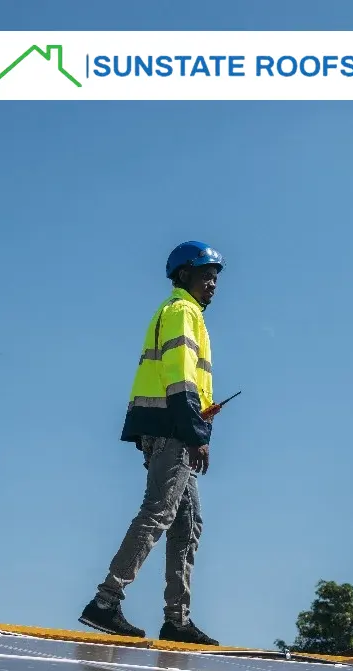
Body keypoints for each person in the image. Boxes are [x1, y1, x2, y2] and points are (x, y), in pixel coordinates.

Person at [78, 240, 227, 645]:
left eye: (216, 275)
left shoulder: (188, 312)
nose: (213, 282)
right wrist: (196, 435)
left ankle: (177, 620)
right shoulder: (181, 311)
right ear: (183, 275)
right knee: (159, 512)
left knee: (188, 522)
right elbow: (180, 379)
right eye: (205, 273)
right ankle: (106, 601)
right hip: (172, 429)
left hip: (172, 428)